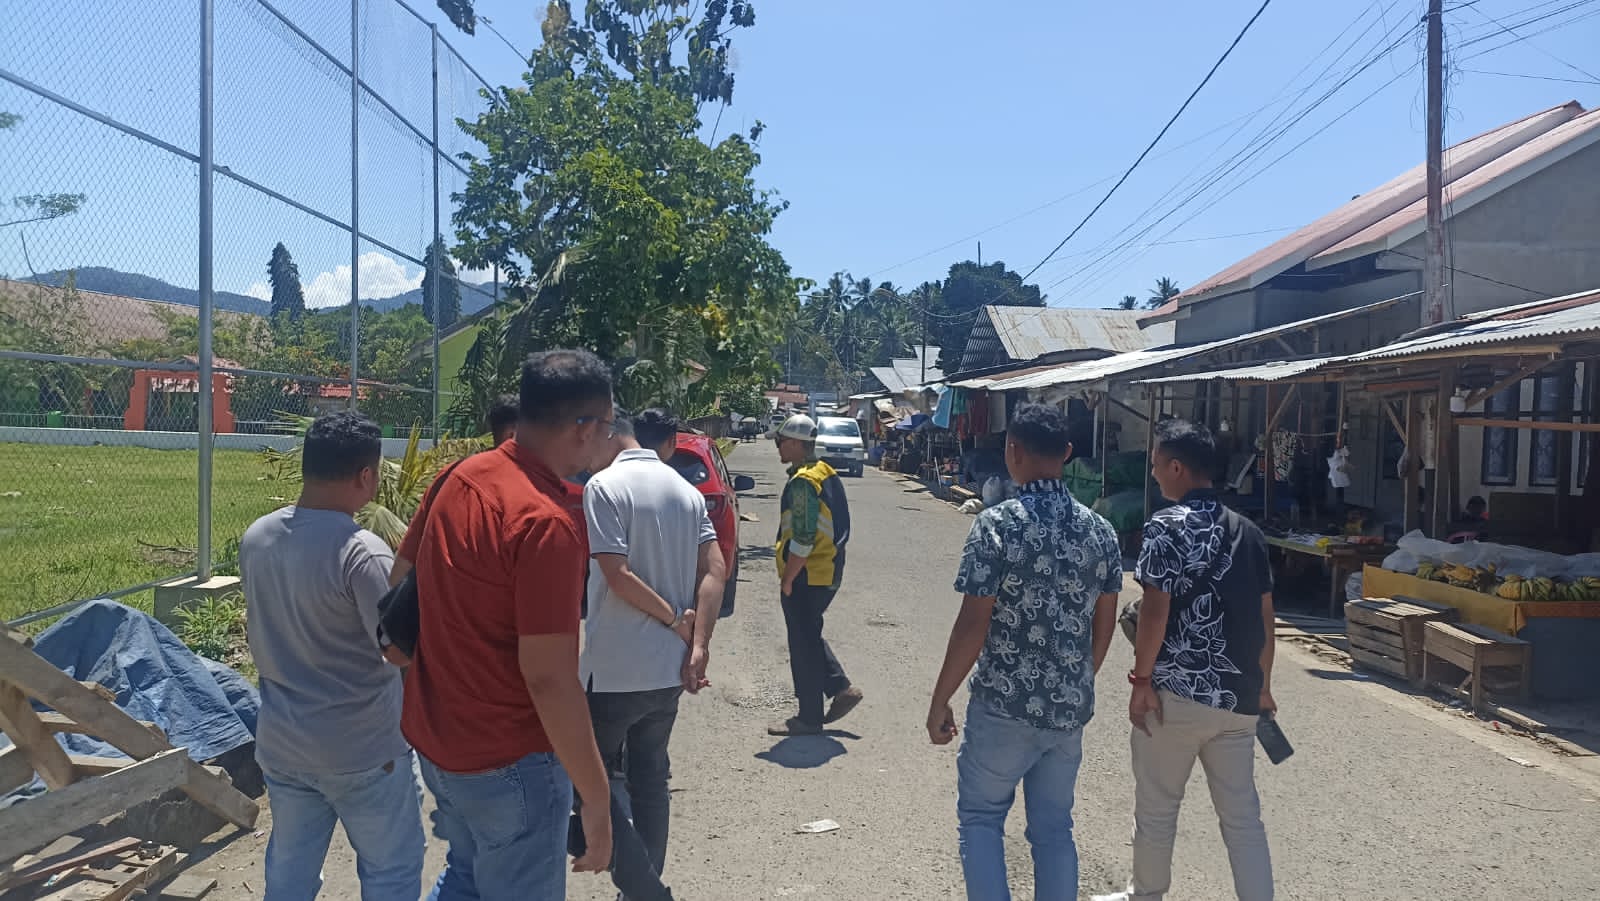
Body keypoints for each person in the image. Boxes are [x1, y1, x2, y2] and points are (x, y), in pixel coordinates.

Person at [391, 349, 616, 901]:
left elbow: (400, 581)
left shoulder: (460, 476)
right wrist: (596, 797)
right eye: (607, 425)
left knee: (467, 875)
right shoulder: (545, 523)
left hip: (439, 741)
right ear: (583, 428)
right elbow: (549, 678)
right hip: (510, 759)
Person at [927, 403, 1123, 901]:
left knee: (981, 818)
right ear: (1068, 453)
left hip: (1003, 706)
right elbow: (1104, 626)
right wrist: (1076, 679)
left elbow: (973, 625)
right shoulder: (1101, 532)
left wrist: (940, 698)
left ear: (1012, 451)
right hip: (1067, 712)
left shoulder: (996, 525)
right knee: (1054, 830)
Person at [239, 411, 425, 901]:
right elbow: (398, 650)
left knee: (289, 874)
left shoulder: (258, 536)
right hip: (362, 749)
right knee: (390, 872)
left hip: (283, 744)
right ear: (365, 476)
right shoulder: (362, 552)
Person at [1094, 419, 1277, 901]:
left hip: (1177, 694)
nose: (1154, 473)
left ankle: (1147, 895)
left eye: (1156, 465)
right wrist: (1262, 687)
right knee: (1243, 819)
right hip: (1239, 699)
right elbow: (1265, 618)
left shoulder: (1165, 526)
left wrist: (1141, 681)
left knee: (1157, 809)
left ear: (1177, 467)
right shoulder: (1249, 533)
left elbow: (1155, 611)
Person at [580, 407, 728, 901]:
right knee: (649, 779)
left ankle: (645, 892)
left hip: (614, 669)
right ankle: (642, 888)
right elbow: (716, 570)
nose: (584, 453)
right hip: (669, 670)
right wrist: (699, 643)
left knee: (583, 781)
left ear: (609, 434)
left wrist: (672, 619)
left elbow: (617, 575)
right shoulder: (687, 492)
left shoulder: (604, 488)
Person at [767, 413, 863, 737]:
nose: (778, 447)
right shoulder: (825, 472)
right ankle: (840, 687)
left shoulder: (803, 483)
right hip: (829, 568)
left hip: (808, 573)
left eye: (781, 441)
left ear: (796, 443)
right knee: (808, 632)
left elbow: (804, 536)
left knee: (803, 644)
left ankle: (809, 718)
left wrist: (788, 577)